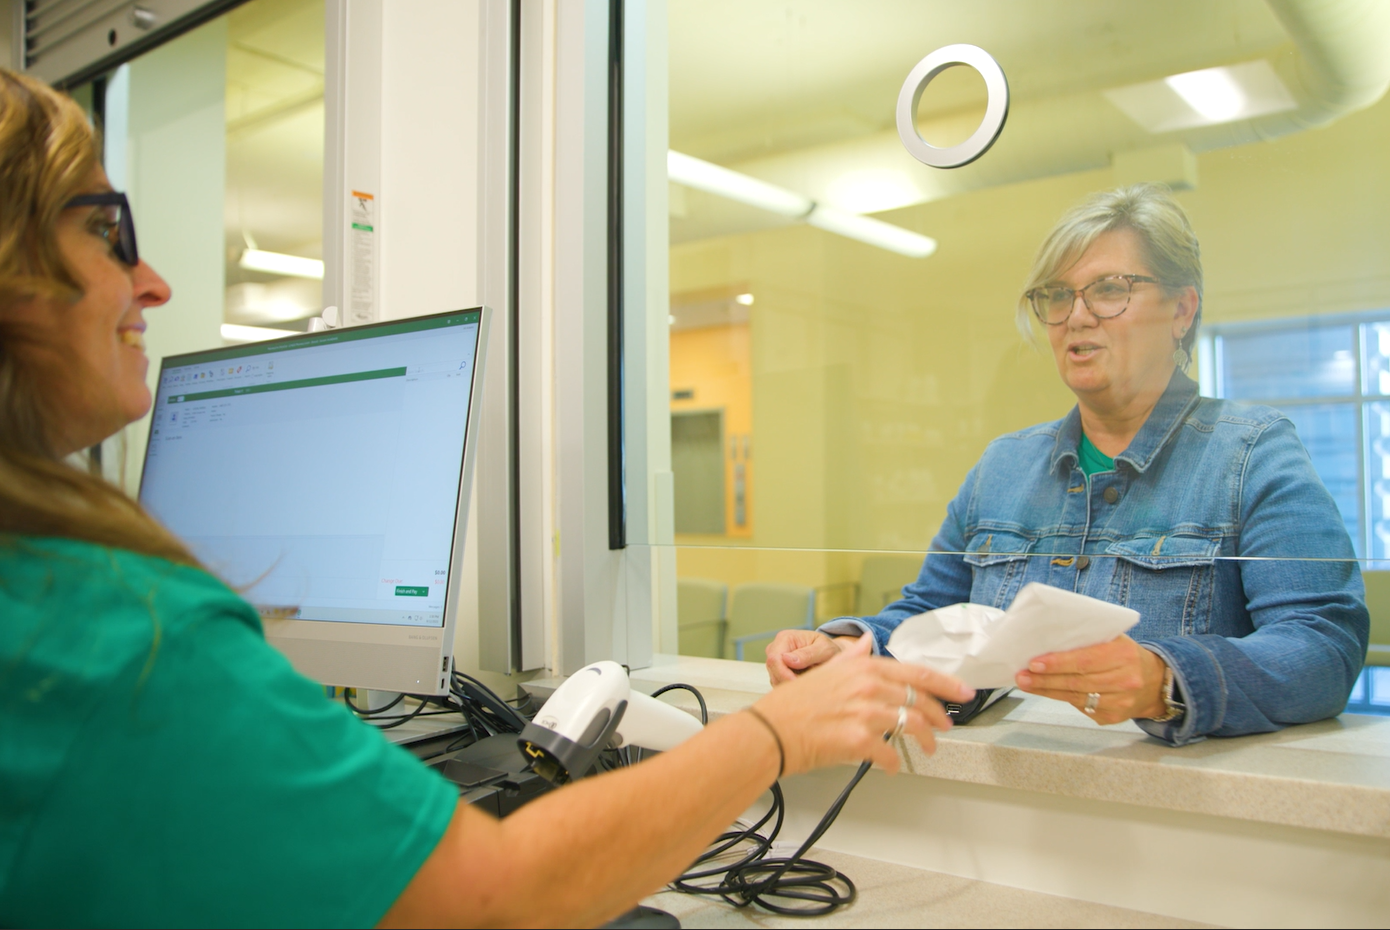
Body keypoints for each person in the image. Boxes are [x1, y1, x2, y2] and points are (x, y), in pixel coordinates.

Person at [0, 69, 976, 928]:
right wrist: (772, 735)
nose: (153, 283)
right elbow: (495, 895)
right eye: (105, 232)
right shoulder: (112, 634)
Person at [766, 184, 1369, 745]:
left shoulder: (1250, 454)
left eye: (1109, 289)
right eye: (1057, 295)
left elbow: (1324, 646)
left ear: (1182, 310)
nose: (1076, 316)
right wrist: (850, 647)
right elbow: (930, 616)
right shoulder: (1003, 467)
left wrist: (1164, 679)